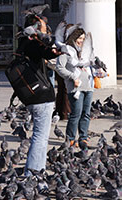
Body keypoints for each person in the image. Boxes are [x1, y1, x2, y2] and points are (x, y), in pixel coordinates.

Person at [17, 13, 61, 176]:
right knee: (40, 138)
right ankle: (32, 174)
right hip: (41, 98)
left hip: (31, 96)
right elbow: (49, 52)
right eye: (43, 26)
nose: (46, 29)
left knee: (40, 136)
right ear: (35, 27)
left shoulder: (23, 43)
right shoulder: (33, 43)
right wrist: (60, 48)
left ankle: (37, 170)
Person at [55, 25, 107, 153]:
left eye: (83, 39)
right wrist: (73, 77)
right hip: (75, 88)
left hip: (88, 85)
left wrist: (98, 71)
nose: (81, 41)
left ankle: (83, 138)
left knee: (86, 114)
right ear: (73, 37)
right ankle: (70, 139)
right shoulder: (67, 50)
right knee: (76, 114)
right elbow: (59, 67)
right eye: (79, 38)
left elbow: (91, 65)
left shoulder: (86, 52)